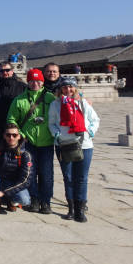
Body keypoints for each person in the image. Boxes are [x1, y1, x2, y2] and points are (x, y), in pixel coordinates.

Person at [49, 76, 100, 223]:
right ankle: (70, 208)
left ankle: (80, 208)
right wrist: (56, 134)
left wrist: (90, 131)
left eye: (71, 87)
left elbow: (95, 120)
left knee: (82, 178)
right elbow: (52, 123)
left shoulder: (83, 103)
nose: (68, 90)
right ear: (61, 89)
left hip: (84, 145)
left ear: (75, 88)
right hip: (64, 144)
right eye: (65, 87)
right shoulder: (55, 104)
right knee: (68, 177)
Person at [7, 68, 56, 214]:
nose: (35, 83)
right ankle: (34, 200)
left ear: (42, 81)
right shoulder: (19, 99)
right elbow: (11, 119)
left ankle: (46, 202)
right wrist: (20, 134)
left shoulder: (50, 98)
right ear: (28, 82)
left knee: (46, 174)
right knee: (30, 173)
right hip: (28, 143)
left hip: (46, 142)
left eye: (38, 80)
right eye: (32, 81)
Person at [0, 123, 33, 214]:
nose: (11, 138)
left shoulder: (25, 154)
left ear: (19, 137)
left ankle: (10, 201)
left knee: (25, 200)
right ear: (4, 136)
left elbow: (26, 180)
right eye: (8, 135)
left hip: (14, 184)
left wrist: (5, 192)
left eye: (14, 135)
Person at [0, 61, 27, 144]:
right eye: (1, 71)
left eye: (7, 70)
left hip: (17, 128)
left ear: (12, 71)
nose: (4, 72)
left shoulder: (22, 87)